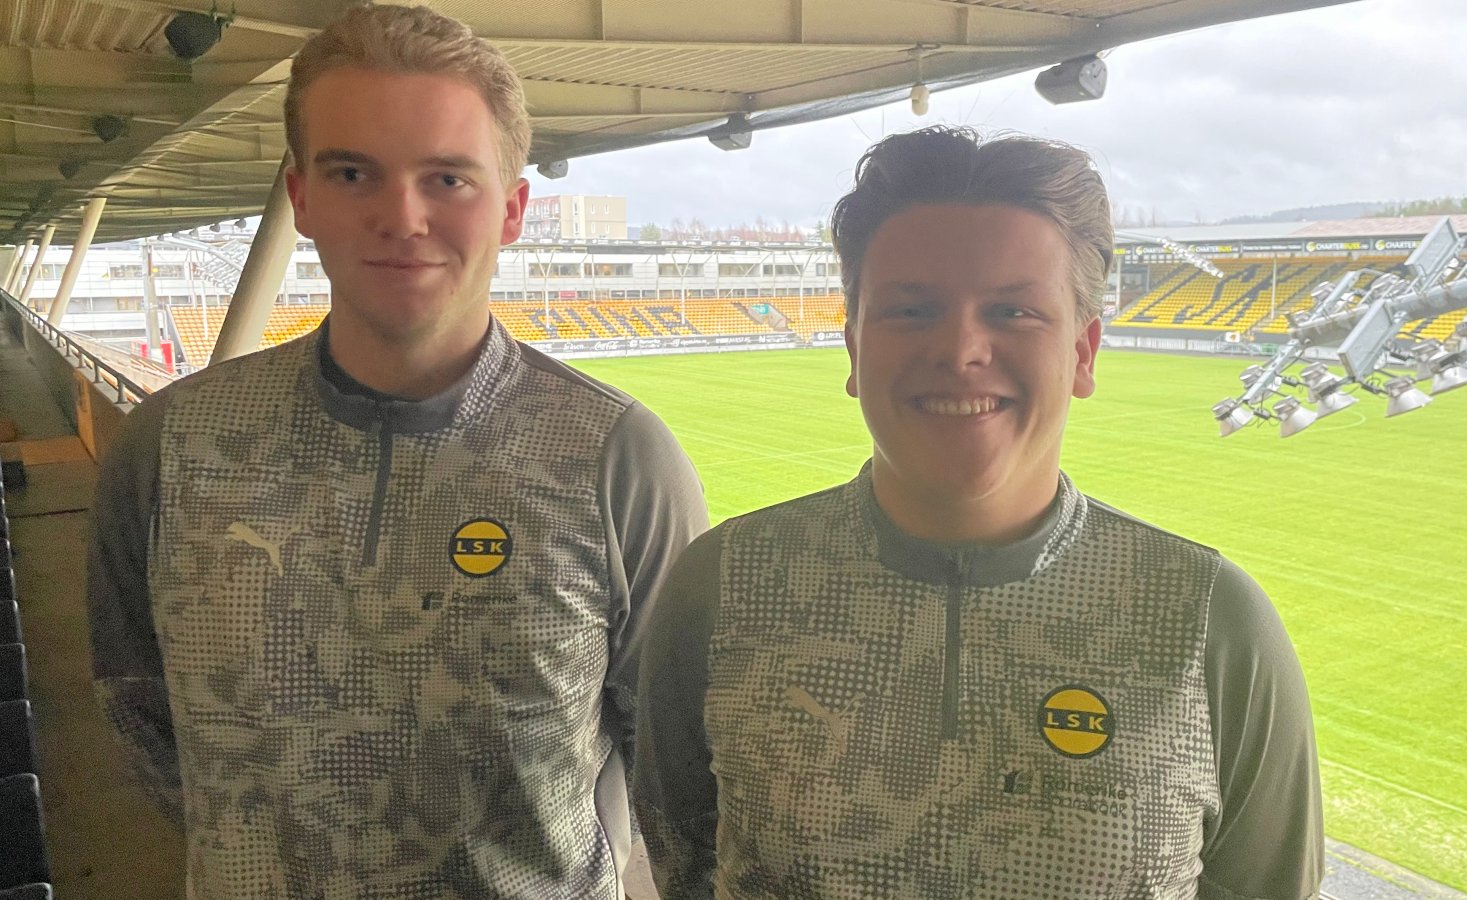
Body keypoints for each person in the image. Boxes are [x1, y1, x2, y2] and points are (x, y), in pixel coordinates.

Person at [86, 6, 706, 898]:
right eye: (353, 173)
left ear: (512, 209)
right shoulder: (171, 448)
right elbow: (141, 715)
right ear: (302, 198)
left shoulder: (619, 460)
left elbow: (679, 765)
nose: (402, 217)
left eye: (447, 178)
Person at [634, 126, 1322, 899]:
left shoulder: (1209, 621)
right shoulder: (723, 587)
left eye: (1014, 311)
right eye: (910, 310)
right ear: (854, 348)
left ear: (1084, 352)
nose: (961, 349)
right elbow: (683, 864)